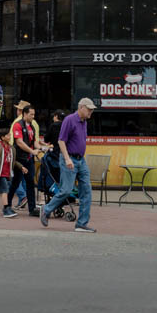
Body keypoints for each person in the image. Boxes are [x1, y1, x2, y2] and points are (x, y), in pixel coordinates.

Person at [41, 97, 97, 232]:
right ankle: (46, 209)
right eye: (89, 109)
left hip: (80, 160)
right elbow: (61, 141)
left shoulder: (84, 122)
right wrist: (67, 159)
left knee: (86, 190)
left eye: (92, 110)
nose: (91, 112)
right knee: (66, 190)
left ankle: (82, 223)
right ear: (81, 107)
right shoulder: (70, 120)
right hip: (69, 158)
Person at [8, 104, 42, 216]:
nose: (33, 116)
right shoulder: (18, 125)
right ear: (25, 114)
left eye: (34, 114)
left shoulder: (31, 126)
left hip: (29, 159)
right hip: (19, 159)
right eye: (31, 114)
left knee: (30, 183)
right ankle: (7, 206)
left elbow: (34, 142)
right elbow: (19, 142)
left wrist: (40, 148)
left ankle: (32, 209)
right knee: (15, 182)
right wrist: (32, 151)